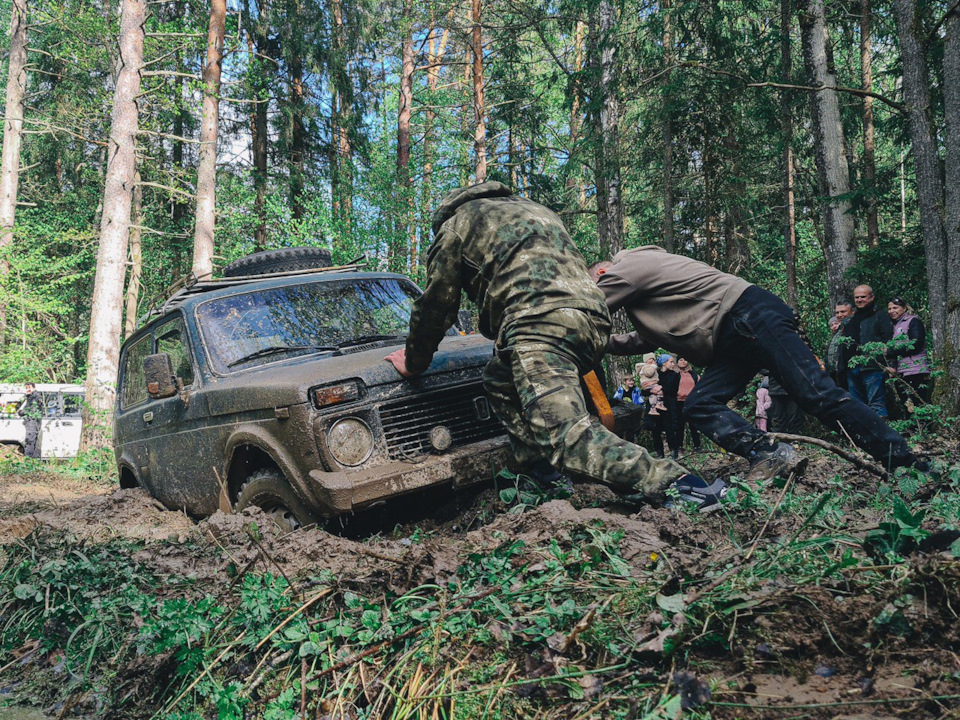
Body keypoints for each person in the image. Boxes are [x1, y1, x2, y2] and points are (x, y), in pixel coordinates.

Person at [384, 182, 720, 508]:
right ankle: (541, 474)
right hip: (592, 320)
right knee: (499, 381)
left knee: (569, 439)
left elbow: (437, 306)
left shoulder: (455, 227)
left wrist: (414, 361)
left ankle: (677, 483)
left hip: (538, 326)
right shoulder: (537, 211)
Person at [588, 247, 924, 477]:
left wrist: (571, 334)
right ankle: (769, 453)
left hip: (749, 316)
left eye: (598, 281)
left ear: (603, 272)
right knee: (700, 404)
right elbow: (644, 339)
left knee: (816, 394)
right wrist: (603, 345)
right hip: (733, 337)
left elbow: (589, 309)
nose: (603, 284)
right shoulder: (650, 296)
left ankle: (904, 461)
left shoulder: (628, 267)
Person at [842, 285, 893, 418]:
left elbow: (888, 340)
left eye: (863, 297)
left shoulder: (880, 315)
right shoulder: (850, 319)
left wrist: (891, 364)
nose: (859, 300)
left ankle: (882, 435)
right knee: (858, 406)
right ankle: (865, 436)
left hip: (872, 366)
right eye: (857, 297)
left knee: (876, 404)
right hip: (852, 368)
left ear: (871, 297)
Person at [885, 297, 932, 407]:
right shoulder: (895, 325)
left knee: (919, 403)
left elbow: (916, 344)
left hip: (916, 370)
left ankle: (923, 424)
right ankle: (914, 425)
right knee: (907, 405)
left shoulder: (913, 321)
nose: (892, 311)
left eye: (895, 308)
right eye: (889, 308)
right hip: (902, 371)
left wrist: (891, 352)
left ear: (905, 308)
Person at [674, 357, 702, 452]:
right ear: (677, 362)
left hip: (691, 402)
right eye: (681, 360)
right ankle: (679, 446)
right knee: (680, 425)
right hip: (678, 402)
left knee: (693, 425)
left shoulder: (693, 374)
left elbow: (700, 386)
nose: (683, 362)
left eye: (685, 360)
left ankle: (697, 446)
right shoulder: (674, 374)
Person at [826, 301, 853, 389]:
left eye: (843, 312)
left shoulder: (854, 326)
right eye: (837, 312)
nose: (839, 315)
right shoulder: (840, 331)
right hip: (838, 372)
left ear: (852, 311)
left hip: (851, 370)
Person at [17, 383, 43, 459]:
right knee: (33, 442)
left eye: (29, 387)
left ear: (34, 387)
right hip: (32, 422)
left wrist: (20, 412)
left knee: (30, 441)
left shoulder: (35, 397)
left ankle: (28, 460)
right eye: (26, 388)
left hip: (32, 422)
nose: (27, 389)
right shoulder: (30, 397)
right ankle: (34, 461)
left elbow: (32, 411)